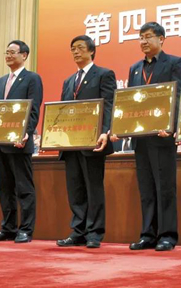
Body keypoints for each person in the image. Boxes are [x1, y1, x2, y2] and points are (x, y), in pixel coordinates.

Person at [120, 22, 181, 252]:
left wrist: (172, 126)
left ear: (161, 39)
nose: (143, 41)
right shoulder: (135, 68)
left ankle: (167, 235)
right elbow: (130, 101)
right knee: (146, 188)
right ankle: (147, 234)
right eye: (141, 37)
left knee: (165, 187)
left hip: (162, 135)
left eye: (148, 36)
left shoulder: (174, 62)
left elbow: (178, 95)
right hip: (141, 137)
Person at [56, 35, 116, 249]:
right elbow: (62, 111)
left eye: (80, 47)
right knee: (76, 189)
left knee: (93, 188)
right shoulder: (68, 81)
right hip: (71, 143)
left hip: (93, 142)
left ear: (92, 51)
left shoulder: (104, 74)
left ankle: (95, 232)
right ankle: (78, 231)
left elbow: (109, 105)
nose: (76, 51)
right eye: (73, 48)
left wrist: (105, 131)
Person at [0, 40, 43, 244]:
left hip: (20, 142)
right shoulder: (0, 81)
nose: (8, 55)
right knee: (4, 187)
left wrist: (26, 132)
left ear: (24, 55)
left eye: (13, 52)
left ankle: (26, 229)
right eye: (7, 52)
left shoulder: (32, 78)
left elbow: (34, 109)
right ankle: (8, 228)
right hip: (0, 143)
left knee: (23, 188)